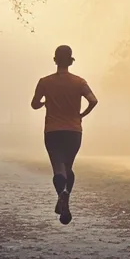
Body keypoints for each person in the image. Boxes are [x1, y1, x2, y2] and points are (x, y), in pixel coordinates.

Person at [31, 45, 98, 224]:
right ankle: (66, 195)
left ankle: (62, 193)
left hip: (52, 131)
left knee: (58, 168)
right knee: (68, 168)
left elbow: (34, 104)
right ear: (70, 60)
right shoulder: (79, 82)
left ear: (55, 60)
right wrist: (82, 114)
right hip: (73, 131)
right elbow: (93, 100)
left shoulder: (45, 82)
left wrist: (45, 102)